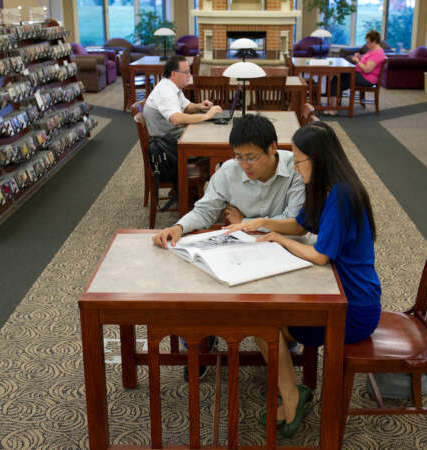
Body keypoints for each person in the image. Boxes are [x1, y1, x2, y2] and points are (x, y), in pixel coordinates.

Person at [223, 122, 382, 437]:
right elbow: (300, 224)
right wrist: (263, 223)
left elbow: (321, 255)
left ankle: (293, 396)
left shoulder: (342, 195)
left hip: (353, 307)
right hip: (340, 290)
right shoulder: (327, 187)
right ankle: (292, 389)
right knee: (269, 322)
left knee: (264, 326)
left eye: (299, 161)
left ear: (319, 160)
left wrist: (276, 239)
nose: (294, 169)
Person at [152, 113, 306, 380]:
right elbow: (205, 210)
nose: (245, 164)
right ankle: (200, 342)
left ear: (273, 148)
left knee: (277, 297)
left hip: (282, 250)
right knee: (201, 285)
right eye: (239, 156)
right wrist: (178, 227)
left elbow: (296, 222)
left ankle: (283, 339)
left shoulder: (295, 168)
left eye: (252, 157)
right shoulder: (229, 170)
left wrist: (245, 222)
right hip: (239, 248)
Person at [143, 55, 222, 184]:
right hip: (169, 144)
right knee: (214, 146)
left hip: (174, 137)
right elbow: (176, 119)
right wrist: (207, 116)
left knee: (212, 137)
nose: (189, 76)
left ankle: (196, 188)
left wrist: (199, 106)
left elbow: (186, 107)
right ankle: (192, 188)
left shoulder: (173, 88)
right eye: (186, 72)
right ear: (173, 74)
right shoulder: (165, 91)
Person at [327, 30, 387, 115]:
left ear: (374, 42)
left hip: (367, 79)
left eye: (368, 42)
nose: (367, 44)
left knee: (338, 80)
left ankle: (334, 108)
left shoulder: (377, 53)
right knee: (337, 77)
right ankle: (334, 105)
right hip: (361, 75)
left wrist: (357, 61)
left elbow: (367, 69)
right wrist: (360, 57)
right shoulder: (372, 50)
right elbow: (366, 61)